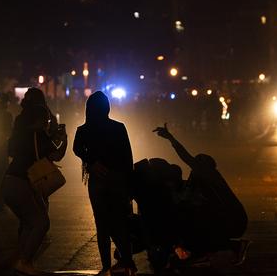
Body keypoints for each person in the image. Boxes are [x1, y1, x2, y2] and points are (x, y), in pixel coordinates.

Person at [153, 123, 247, 257]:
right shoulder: (207, 182)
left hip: (233, 220)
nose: (193, 168)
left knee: (192, 224)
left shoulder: (208, 174)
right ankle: (205, 251)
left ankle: (216, 249)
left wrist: (171, 138)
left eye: (196, 163)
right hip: (232, 218)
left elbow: (185, 156)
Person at [73, 91, 136, 275]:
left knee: (102, 224)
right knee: (120, 221)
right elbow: (127, 157)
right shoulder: (118, 127)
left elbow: (77, 148)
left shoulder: (83, 130)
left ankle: (106, 265)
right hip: (117, 179)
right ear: (107, 107)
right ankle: (127, 261)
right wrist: (129, 183)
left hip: (97, 181)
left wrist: (92, 162)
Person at [3, 105, 67, 275]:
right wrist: (64, 139)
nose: (47, 123)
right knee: (41, 222)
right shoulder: (38, 135)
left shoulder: (20, 134)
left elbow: (12, 151)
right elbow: (56, 155)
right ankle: (24, 262)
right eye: (46, 120)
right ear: (39, 120)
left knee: (29, 222)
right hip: (21, 183)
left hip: (9, 181)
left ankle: (24, 262)